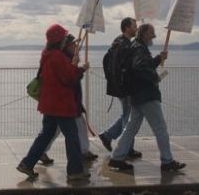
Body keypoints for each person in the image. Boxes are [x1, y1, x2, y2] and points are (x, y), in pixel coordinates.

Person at [17, 24, 90, 181]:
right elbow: (69, 78)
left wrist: (72, 64)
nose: (66, 38)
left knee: (45, 135)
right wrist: (80, 68)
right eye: (64, 36)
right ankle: (75, 171)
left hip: (49, 104)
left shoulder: (47, 54)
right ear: (59, 39)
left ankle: (27, 163)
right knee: (72, 137)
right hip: (61, 104)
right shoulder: (58, 56)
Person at [108, 24, 186, 172]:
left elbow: (142, 65)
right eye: (152, 33)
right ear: (144, 33)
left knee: (131, 127)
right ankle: (167, 161)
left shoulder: (136, 47)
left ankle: (117, 158)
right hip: (147, 95)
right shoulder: (139, 48)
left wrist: (158, 59)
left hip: (137, 95)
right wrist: (154, 77)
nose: (154, 36)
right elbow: (139, 68)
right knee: (160, 128)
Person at [39, 34, 96, 165]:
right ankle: (80, 156)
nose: (76, 47)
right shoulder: (64, 58)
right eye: (73, 44)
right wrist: (80, 69)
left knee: (64, 128)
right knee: (58, 131)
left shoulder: (65, 57)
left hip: (66, 101)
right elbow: (70, 79)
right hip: (64, 102)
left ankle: (83, 150)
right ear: (67, 46)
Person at [99, 17, 142, 159]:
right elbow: (128, 68)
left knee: (126, 114)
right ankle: (127, 148)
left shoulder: (117, 42)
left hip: (118, 87)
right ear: (127, 27)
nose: (136, 28)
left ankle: (107, 136)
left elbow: (108, 62)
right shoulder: (125, 45)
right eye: (134, 25)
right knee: (129, 118)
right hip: (125, 88)